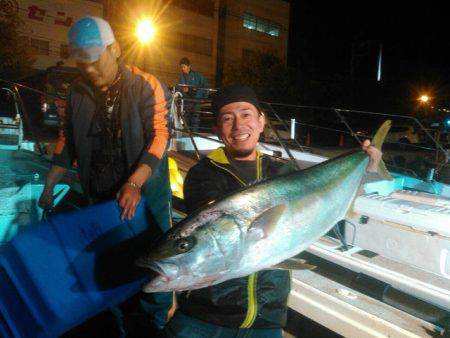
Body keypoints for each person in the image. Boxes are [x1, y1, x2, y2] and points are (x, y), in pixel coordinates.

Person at [164, 85, 382, 337]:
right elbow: (215, 236)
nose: (238, 126)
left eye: (246, 115)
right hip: (206, 317)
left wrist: (367, 169)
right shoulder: (203, 173)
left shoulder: (283, 171)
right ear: (217, 129)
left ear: (261, 122)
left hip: (266, 319)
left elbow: (323, 202)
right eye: (227, 118)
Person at [37, 16, 173, 336]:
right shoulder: (75, 92)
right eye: (83, 64)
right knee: (111, 266)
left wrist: (135, 182)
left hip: (145, 195)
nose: (90, 71)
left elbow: (159, 137)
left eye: (95, 62)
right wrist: (51, 180)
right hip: (100, 198)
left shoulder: (146, 85)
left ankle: (151, 326)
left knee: (154, 265)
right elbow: (67, 139)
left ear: (115, 49)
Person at [177, 57, 209, 132]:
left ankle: (194, 135)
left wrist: (204, 97)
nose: (182, 69)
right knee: (186, 120)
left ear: (189, 66)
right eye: (181, 67)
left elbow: (206, 85)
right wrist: (182, 90)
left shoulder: (197, 75)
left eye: (184, 66)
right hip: (186, 101)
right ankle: (186, 135)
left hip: (196, 101)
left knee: (195, 120)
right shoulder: (181, 77)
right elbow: (179, 88)